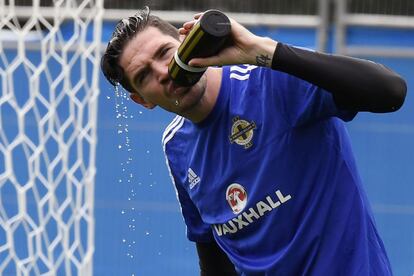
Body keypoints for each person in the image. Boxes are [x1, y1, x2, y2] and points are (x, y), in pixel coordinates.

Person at [101, 6, 407, 276]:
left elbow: (391, 92)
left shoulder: (272, 82)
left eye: (165, 53)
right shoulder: (176, 146)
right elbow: (214, 259)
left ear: (186, 42)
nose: (164, 73)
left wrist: (262, 50)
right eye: (144, 75)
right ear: (142, 100)